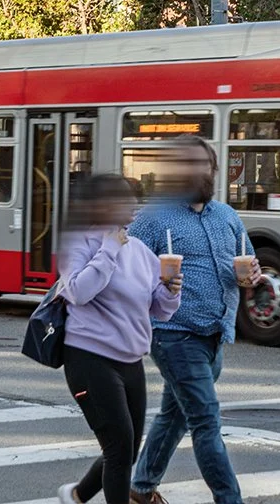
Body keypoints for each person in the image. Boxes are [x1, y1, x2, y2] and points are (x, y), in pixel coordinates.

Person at [128, 137, 253, 504]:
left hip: (215, 333)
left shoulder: (227, 216)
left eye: (205, 164)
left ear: (214, 170)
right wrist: (158, 283)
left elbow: (247, 262)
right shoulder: (154, 217)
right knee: (205, 420)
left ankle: (141, 488)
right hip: (173, 334)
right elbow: (128, 268)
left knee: (174, 414)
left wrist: (251, 275)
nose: (198, 171)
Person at [53, 174, 183, 504]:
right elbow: (79, 292)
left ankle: (78, 495)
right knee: (119, 448)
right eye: (125, 199)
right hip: (88, 358)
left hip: (131, 361)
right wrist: (109, 247)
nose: (133, 206)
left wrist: (170, 291)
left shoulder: (139, 250)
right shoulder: (78, 243)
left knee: (127, 448)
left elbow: (159, 309)